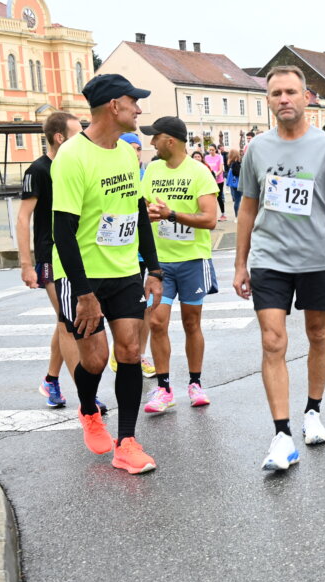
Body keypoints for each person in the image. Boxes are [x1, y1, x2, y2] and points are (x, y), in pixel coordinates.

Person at [233, 65, 325, 471]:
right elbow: (247, 207)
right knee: (273, 341)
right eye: (276, 93)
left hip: (316, 258)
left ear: (306, 97)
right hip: (269, 259)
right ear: (268, 100)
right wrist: (241, 263)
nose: (284, 99)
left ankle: (313, 411)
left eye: (291, 92)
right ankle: (281, 435)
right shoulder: (257, 149)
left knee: (318, 333)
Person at [50, 73, 164, 474]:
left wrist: (153, 268)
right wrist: (83, 293)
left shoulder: (125, 154)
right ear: (114, 106)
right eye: (134, 102)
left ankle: (127, 442)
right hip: (80, 275)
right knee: (95, 361)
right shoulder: (72, 156)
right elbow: (62, 231)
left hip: (123, 271)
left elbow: (136, 211)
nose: (139, 109)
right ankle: (88, 411)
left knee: (131, 351)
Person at [17, 112, 102, 409]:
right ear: (59, 137)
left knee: (62, 320)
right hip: (49, 254)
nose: (82, 137)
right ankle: (85, 396)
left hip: (76, 252)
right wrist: (26, 264)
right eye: (77, 132)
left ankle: (51, 380)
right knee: (68, 324)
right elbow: (23, 217)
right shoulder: (39, 169)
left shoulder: (77, 163)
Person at [138, 116, 219, 413]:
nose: (151, 143)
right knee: (157, 322)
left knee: (191, 323)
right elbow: (143, 209)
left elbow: (210, 219)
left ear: (170, 140)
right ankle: (164, 388)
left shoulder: (199, 172)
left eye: (154, 137)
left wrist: (172, 215)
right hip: (160, 262)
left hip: (193, 260)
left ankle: (195, 383)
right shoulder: (153, 170)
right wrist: (150, 214)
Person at [110, 131, 157, 380]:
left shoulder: (147, 175)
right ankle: (122, 348)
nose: (136, 153)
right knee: (125, 311)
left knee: (146, 308)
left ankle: (140, 353)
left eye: (139, 148)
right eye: (131, 148)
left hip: (144, 254)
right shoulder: (116, 176)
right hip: (121, 257)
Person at [204, 144, 227, 221]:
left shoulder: (219, 157)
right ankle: (211, 215)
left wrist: (215, 175)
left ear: (215, 150)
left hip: (219, 180)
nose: (211, 151)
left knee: (219, 197)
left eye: (212, 150)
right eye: (210, 150)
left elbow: (221, 169)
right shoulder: (206, 157)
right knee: (210, 198)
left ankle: (223, 214)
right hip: (209, 180)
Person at [225, 148, 243, 216]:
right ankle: (237, 215)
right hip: (238, 183)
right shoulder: (236, 164)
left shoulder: (230, 163)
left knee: (236, 199)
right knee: (238, 200)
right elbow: (237, 173)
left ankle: (237, 215)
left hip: (233, 184)